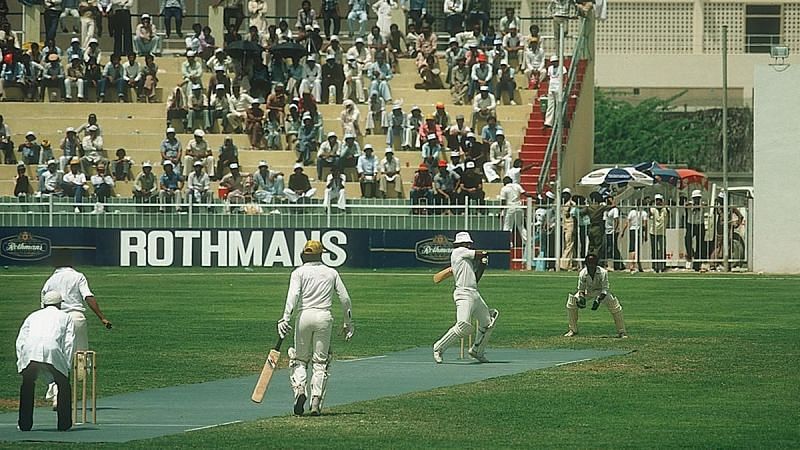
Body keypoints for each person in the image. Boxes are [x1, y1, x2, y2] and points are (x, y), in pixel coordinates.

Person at [277, 239, 353, 416]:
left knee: (300, 359)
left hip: (304, 316)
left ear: (304, 254)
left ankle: (300, 391)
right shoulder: (331, 272)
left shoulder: (298, 272)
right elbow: (345, 299)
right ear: (321, 254)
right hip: (324, 317)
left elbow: (293, 295)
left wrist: (285, 318)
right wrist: (348, 322)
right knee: (320, 362)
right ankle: (316, 400)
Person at [40, 249, 112, 410]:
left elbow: (44, 305)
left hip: (55, 319)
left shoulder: (50, 281)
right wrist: (102, 317)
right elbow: (88, 297)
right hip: (75, 318)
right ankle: (80, 377)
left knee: (59, 359)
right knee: (81, 355)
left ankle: (57, 396)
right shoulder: (78, 276)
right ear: (71, 260)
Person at [433, 231, 499, 363]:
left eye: (469, 244)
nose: (469, 246)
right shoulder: (458, 251)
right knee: (463, 326)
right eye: (467, 243)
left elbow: (476, 278)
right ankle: (438, 348)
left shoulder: (466, 260)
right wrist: (484, 254)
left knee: (488, 323)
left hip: (474, 293)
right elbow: (480, 253)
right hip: (463, 294)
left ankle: (477, 351)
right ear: (460, 244)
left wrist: (482, 265)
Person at [16, 291, 75, 432]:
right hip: (52, 349)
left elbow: (21, 340)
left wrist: (21, 361)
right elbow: (68, 343)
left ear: (44, 303)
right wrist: (66, 366)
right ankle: (64, 424)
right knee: (63, 384)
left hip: (29, 350)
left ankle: (24, 424)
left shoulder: (33, 316)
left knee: (27, 385)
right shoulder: (65, 316)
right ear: (60, 304)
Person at [564, 254, 628, 338]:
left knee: (615, 306)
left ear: (596, 264)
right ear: (586, 264)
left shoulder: (603, 272)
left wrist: (598, 300)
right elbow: (581, 290)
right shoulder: (582, 273)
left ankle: (621, 331)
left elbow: (605, 289)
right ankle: (573, 330)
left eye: (593, 264)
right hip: (588, 291)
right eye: (589, 264)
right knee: (571, 303)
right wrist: (581, 299)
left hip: (601, 292)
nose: (591, 267)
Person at [649, 194, 669, 273]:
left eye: (659, 200)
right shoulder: (652, 209)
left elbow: (669, 214)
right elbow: (650, 214)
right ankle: (654, 267)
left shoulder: (665, 209)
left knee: (662, 250)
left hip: (662, 233)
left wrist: (665, 206)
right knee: (654, 250)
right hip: (653, 232)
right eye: (657, 200)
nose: (658, 202)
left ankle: (663, 266)